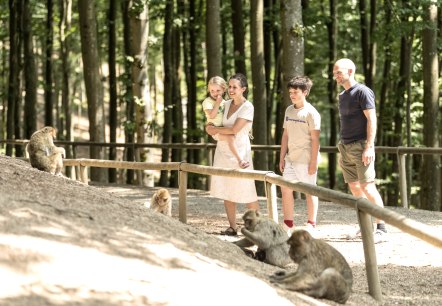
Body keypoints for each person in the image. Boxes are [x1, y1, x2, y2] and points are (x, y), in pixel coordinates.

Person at [333, 58, 388, 243]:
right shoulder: (342, 95)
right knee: (355, 187)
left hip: (361, 146)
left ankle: (382, 229)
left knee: (367, 186)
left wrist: (369, 146)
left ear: (350, 71)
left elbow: (372, 119)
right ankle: (366, 226)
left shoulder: (363, 92)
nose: (336, 76)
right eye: (335, 73)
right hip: (345, 146)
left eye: (339, 72)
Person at [206, 73, 259, 235]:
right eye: (229, 86)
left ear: (243, 89)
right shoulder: (224, 104)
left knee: (247, 188)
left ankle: (258, 227)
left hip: (240, 151)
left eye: (235, 87)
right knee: (226, 188)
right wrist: (212, 129)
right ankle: (232, 227)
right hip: (222, 150)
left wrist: (216, 130)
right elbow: (212, 122)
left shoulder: (248, 107)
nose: (231, 90)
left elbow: (235, 129)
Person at [279, 76, 321, 236]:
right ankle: (288, 224)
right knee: (286, 189)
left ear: (305, 92)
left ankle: (311, 224)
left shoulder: (312, 113)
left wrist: (313, 161)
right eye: (290, 92)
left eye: (295, 92)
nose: (292, 95)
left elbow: (316, 139)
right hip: (291, 158)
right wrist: (282, 156)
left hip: (306, 159)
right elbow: (285, 134)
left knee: (309, 191)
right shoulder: (289, 110)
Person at [202, 76, 249, 168]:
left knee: (230, 138)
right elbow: (212, 115)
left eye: (218, 90)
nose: (215, 93)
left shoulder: (225, 102)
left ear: (224, 89)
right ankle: (240, 160)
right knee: (230, 138)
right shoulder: (207, 102)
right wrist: (217, 103)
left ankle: (237, 161)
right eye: (212, 91)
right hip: (215, 129)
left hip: (222, 128)